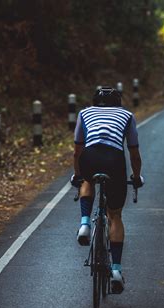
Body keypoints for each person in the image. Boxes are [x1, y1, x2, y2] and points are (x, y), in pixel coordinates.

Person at [70, 86, 144, 294]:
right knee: (115, 215)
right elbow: (134, 154)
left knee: (87, 179)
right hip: (114, 161)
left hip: (90, 156)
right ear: (118, 102)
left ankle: (84, 224)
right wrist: (136, 177)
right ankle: (117, 271)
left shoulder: (85, 113)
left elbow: (77, 151)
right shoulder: (127, 116)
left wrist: (77, 175)